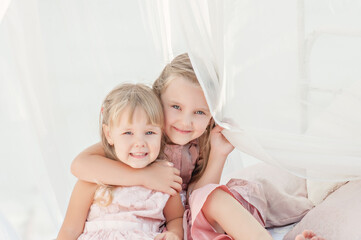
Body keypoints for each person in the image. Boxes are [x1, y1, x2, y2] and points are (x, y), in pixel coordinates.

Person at [71, 53, 324, 240]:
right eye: (176, 107)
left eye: (199, 112)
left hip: (188, 216)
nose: (186, 121)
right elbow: (80, 165)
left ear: (211, 115)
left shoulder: (198, 144)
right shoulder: (140, 141)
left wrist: (218, 154)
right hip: (168, 221)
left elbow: (198, 196)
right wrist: (146, 175)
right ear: (157, 100)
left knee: (214, 197)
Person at [57, 83, 184, 240]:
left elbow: (176, 219)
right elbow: (70, 230)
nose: (140, 143)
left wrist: (174, 235)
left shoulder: (165, 178)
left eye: (150, 132)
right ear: (109, 134)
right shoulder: (93, 179)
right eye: (128, 132)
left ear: (161, 134)